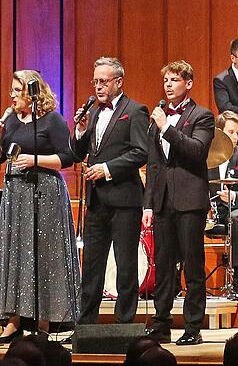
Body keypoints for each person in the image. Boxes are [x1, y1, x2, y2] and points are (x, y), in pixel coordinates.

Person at [0, 70, 80, 342]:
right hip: (15, 194)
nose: (11, 95)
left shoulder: (52, 120)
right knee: (16, 255)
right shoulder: (11, 120)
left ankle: (44, 323)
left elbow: (68, 157)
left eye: (16, 90)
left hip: (43, 192)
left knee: (42, 254)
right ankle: (13, 321)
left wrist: (35, 160)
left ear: (31, 93)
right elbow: (3, 154)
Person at [69, 57, 149, 327]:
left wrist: (107, 168)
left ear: (119, 82)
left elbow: (140, 152)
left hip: (125, 200)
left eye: (104, 81)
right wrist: (80, 132)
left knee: (125, 267)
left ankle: (124, 325)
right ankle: (86, 325)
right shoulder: (93, 113)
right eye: (95, 81)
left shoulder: (135, 110)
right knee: (91, 266)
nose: (98, 87)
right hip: (96, 201)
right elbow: (78, 153)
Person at [142, 60, 215, 346]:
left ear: (189, 83)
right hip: (161, 201)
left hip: (189, 200)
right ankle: (161, 322)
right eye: (166, 80)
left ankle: (193, 326)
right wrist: (148, 204)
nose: (169, 85)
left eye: (175, 80)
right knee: (163, 264)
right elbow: (153, 165)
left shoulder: (203, 115)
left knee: (192, 265)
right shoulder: (158, 117)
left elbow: (196, 151)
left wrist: (166, 128)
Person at [208, 111, 238, 294]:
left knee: (235, 218)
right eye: (231, 132)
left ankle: (237, 280)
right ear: (219, 133)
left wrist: (233, 196)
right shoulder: (207, 156)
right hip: (214, 210)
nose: (235, 137)